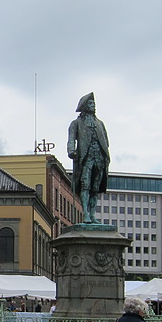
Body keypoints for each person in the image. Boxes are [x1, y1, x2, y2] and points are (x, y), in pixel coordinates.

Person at [67, 92, 110, 224]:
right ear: (85, 106)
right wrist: (71, 151)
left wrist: (105, 156)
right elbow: (71, 139)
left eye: (94, 104)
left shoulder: (100, 123)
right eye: (91, 104)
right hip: (85, 159)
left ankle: (92, 215)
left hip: (100, 158)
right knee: (85, 185)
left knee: (95, 188)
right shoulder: (76, 123)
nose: (93, 106)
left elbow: (106, 142)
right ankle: (85, 213)